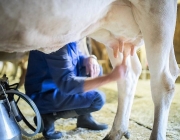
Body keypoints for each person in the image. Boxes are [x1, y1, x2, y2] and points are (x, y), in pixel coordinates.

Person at [25, 42, 127, 139]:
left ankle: (84, 118)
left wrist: (90, 58)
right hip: (44, 94)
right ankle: (49, 116)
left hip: (57, 85)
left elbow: (75, 57)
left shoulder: (68, 36)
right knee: (97, 99)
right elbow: (67, 84)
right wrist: (109, 78)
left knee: (95, 69)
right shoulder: (55, 42)